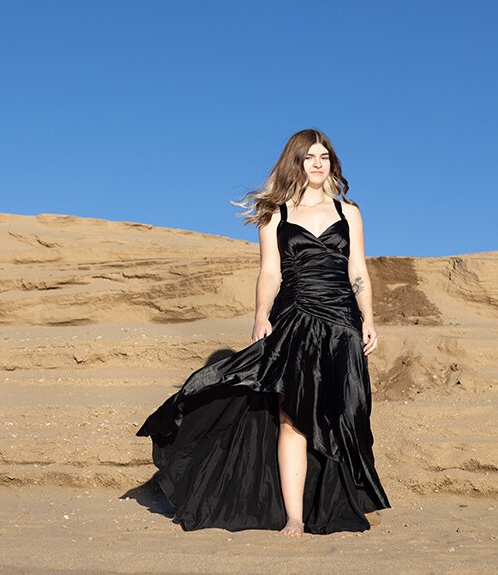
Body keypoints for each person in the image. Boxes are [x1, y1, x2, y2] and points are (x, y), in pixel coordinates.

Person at [135, 128, 391, 536]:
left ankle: (336, 500)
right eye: (309, 157)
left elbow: (357, 269)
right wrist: (260, 314)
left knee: (345, 411)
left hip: (342, 322)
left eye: (324, 156)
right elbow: (270, 271)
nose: (318, 163)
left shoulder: (349, 213)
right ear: (297, 162)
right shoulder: (277, 215)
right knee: (292, 419)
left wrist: (369, 318)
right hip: (295, 319)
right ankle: (295, 516)